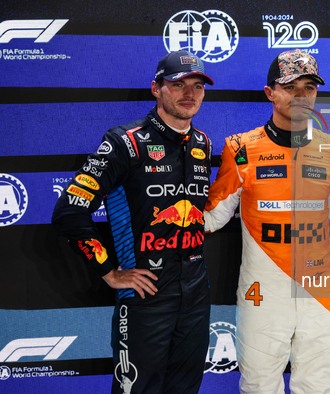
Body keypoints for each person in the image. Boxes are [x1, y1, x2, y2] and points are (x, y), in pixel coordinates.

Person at [52, 50, 214, 394]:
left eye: (197, 86)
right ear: (156, 89)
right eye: (178, 84)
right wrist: (110, 271)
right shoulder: (124, 142)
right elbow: (70, 211)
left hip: (195, 295)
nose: (190, 93)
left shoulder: (202, 143)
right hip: (145, 297)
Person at [204, 49, 330, 393]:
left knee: (319, 388)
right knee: (259, 387)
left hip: (320, 292)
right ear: (270, 92)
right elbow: (211, 219)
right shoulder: (240, 148)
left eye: (309, 88)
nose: (302, 96)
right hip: (262, 293)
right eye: (291, 87)